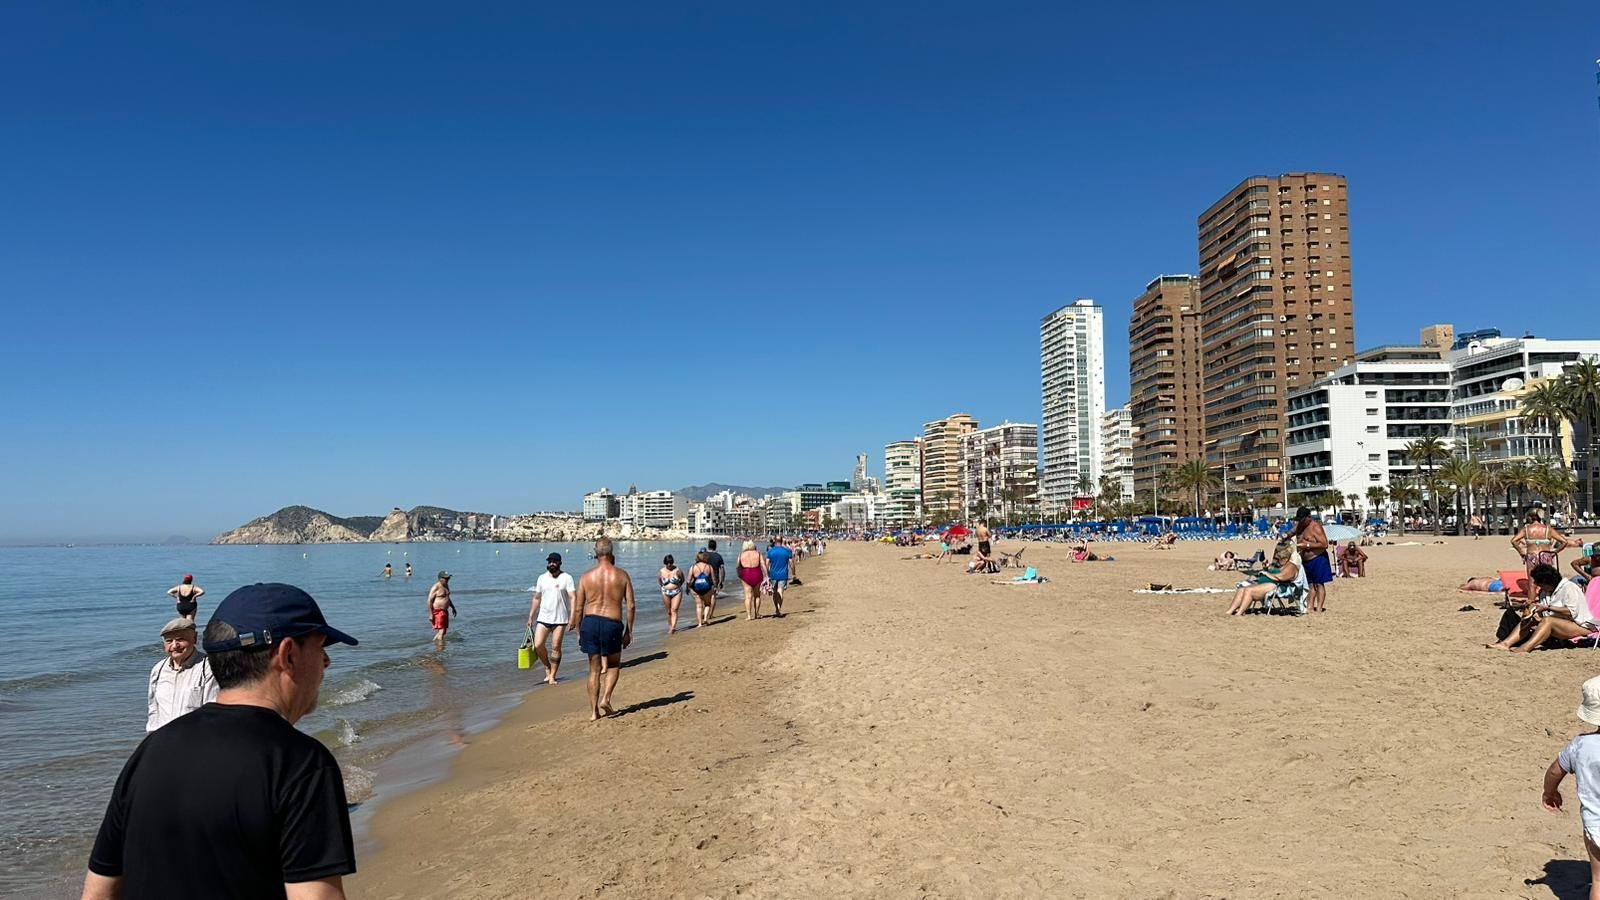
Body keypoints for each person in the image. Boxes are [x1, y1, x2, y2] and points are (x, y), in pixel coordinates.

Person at [82, 583, 359, 900]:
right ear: (288, 654)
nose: (326, 662)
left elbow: (98, 891)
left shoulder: (151, 751)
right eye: (321, 648)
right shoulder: (299, 762)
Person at [1541, 674, 1600, 898]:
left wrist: (1550, 791)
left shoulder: (1581, 745)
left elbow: (1555, 770)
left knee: (1598, 880)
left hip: (1595, 824)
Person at [574, 538, 635, 721]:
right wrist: (629, 631)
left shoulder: (586, 576)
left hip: (590, 622)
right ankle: (606, 698)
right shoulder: (622, 575)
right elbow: (631, 605)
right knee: (614, 664)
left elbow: (578, 608)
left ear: (596, 553)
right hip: (612, 622)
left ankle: (594, 712)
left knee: (594, 670)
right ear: (612, 553)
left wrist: (578, 631)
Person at [1490, 564, 1598, 652]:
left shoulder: (1569, 588)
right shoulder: (1545, 592)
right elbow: (1543, 613)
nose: (1538, 586)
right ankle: (1505, 643)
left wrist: (1548, 608)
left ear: (1547, 581)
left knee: (1548, 621)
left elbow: (1571, 612)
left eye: (1539, 583)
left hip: (1581, 626)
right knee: (1529, 619)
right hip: (1561, 624)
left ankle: (1526, 647)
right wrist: (1531, 609)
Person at [146, 617, 218, 732]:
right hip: (164, 740)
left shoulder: (208, 667)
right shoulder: (158, 670)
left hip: (194, 739)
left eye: (180, 639)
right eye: (169, 641)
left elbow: (211, 710)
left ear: (194, 639)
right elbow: (154, 709)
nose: (175, 645)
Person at [527, 553, 575, 685]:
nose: (551, 564)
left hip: (560, 619)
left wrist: (573, 616)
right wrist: (531, 616)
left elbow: (573, 597)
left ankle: (553, 675)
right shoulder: (542, 578)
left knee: (555, 647)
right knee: (538, 645)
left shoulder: (567, 578)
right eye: (550, 561)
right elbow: (537, 598)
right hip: (543, 618)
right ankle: (547, 666)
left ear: (560, 563)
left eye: (554, 562)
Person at [1226, 541, 1304, 616]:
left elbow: (1281, 577)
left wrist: (1267, 574)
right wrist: (1267, 568)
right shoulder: (1283, 564)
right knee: (1242, 589)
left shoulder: (1291, 567)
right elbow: (1275, 572)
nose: (1278, 561)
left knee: (1248, 591)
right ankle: (1230, 611)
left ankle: (1239, 612)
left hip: (1280, 587)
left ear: (1285, 558)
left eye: (1279, 559)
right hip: (1273, 583)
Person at [1290, 507, 1332, 613]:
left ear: (1308, 517)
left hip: (1318, 558)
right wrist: (1285, 536)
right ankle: (1310, 606)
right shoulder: (1300, 525)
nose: (1300, 522)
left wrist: (1307, 545)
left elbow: (1324, 544)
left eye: (1302, 519)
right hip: (1305, 560)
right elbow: (1292, 532)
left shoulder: (1315, 527)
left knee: (1319, 584)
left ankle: (1319, 608)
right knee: (1309, 584)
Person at [1513, 508, 1577, 575]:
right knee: (1546, 581)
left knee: (1532, 583)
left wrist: (1521, 552)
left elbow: (1513, 541)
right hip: (1545, 555)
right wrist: (1554, 553)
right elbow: (1564, 542)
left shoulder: (1526, 529)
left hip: (1532, 556)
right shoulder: (1548, 529)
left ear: (1530, 518)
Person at [736, 540, 766, 621]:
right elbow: (763, 564)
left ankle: (749, 615)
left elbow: (738, 566)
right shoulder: (758, 553)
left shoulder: (741, 554)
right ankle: (757, 613)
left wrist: (739, 575)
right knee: (757, 595)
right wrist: (767, 575)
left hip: (746, 573)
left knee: (748, 596)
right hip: (757, 573)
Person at [687, 551, 717, 628]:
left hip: (696, 588)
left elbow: (688, 580)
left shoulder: (693, 567)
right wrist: (715, 586)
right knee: (707, 604)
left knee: (699, 606)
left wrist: (688, 588)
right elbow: (713, 578)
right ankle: (706, 619)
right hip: (707, 588)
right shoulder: (709, 567)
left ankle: (700, 623)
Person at [766, 538, 794, 618]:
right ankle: (778, 608)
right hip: (783, 574)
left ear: (774, 541)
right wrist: (794, 573)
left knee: (775, 593)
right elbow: (791, 563)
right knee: (780, 591)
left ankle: (777, 608)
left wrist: (767, 574)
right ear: (781, 541)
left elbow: (767, 563)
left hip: (773, 574)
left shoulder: (771, 551)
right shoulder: (786, 551)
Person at [427, 571, 457, 644]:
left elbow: (447, 598)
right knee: (442, 630)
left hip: (444, 611)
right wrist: (430, 614)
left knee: (444, 631)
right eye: (446, 578)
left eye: (448, 578)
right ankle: (440, 649)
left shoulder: (446, 585)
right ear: (440, 579)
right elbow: (429, 601)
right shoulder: (436, 587)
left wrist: (453, 607)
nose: (448, 579)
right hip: (438, 611)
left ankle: (434, 643)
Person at [702, 539, 725, 619]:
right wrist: (722, 581)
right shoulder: (718, 556)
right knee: (713, 596)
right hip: (715, 578)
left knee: (703, 596)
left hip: (704, 578)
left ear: (708, 546)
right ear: (715, 547)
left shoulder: (704, 555)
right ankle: (710, 614)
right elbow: (722, 569)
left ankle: (704, 612)